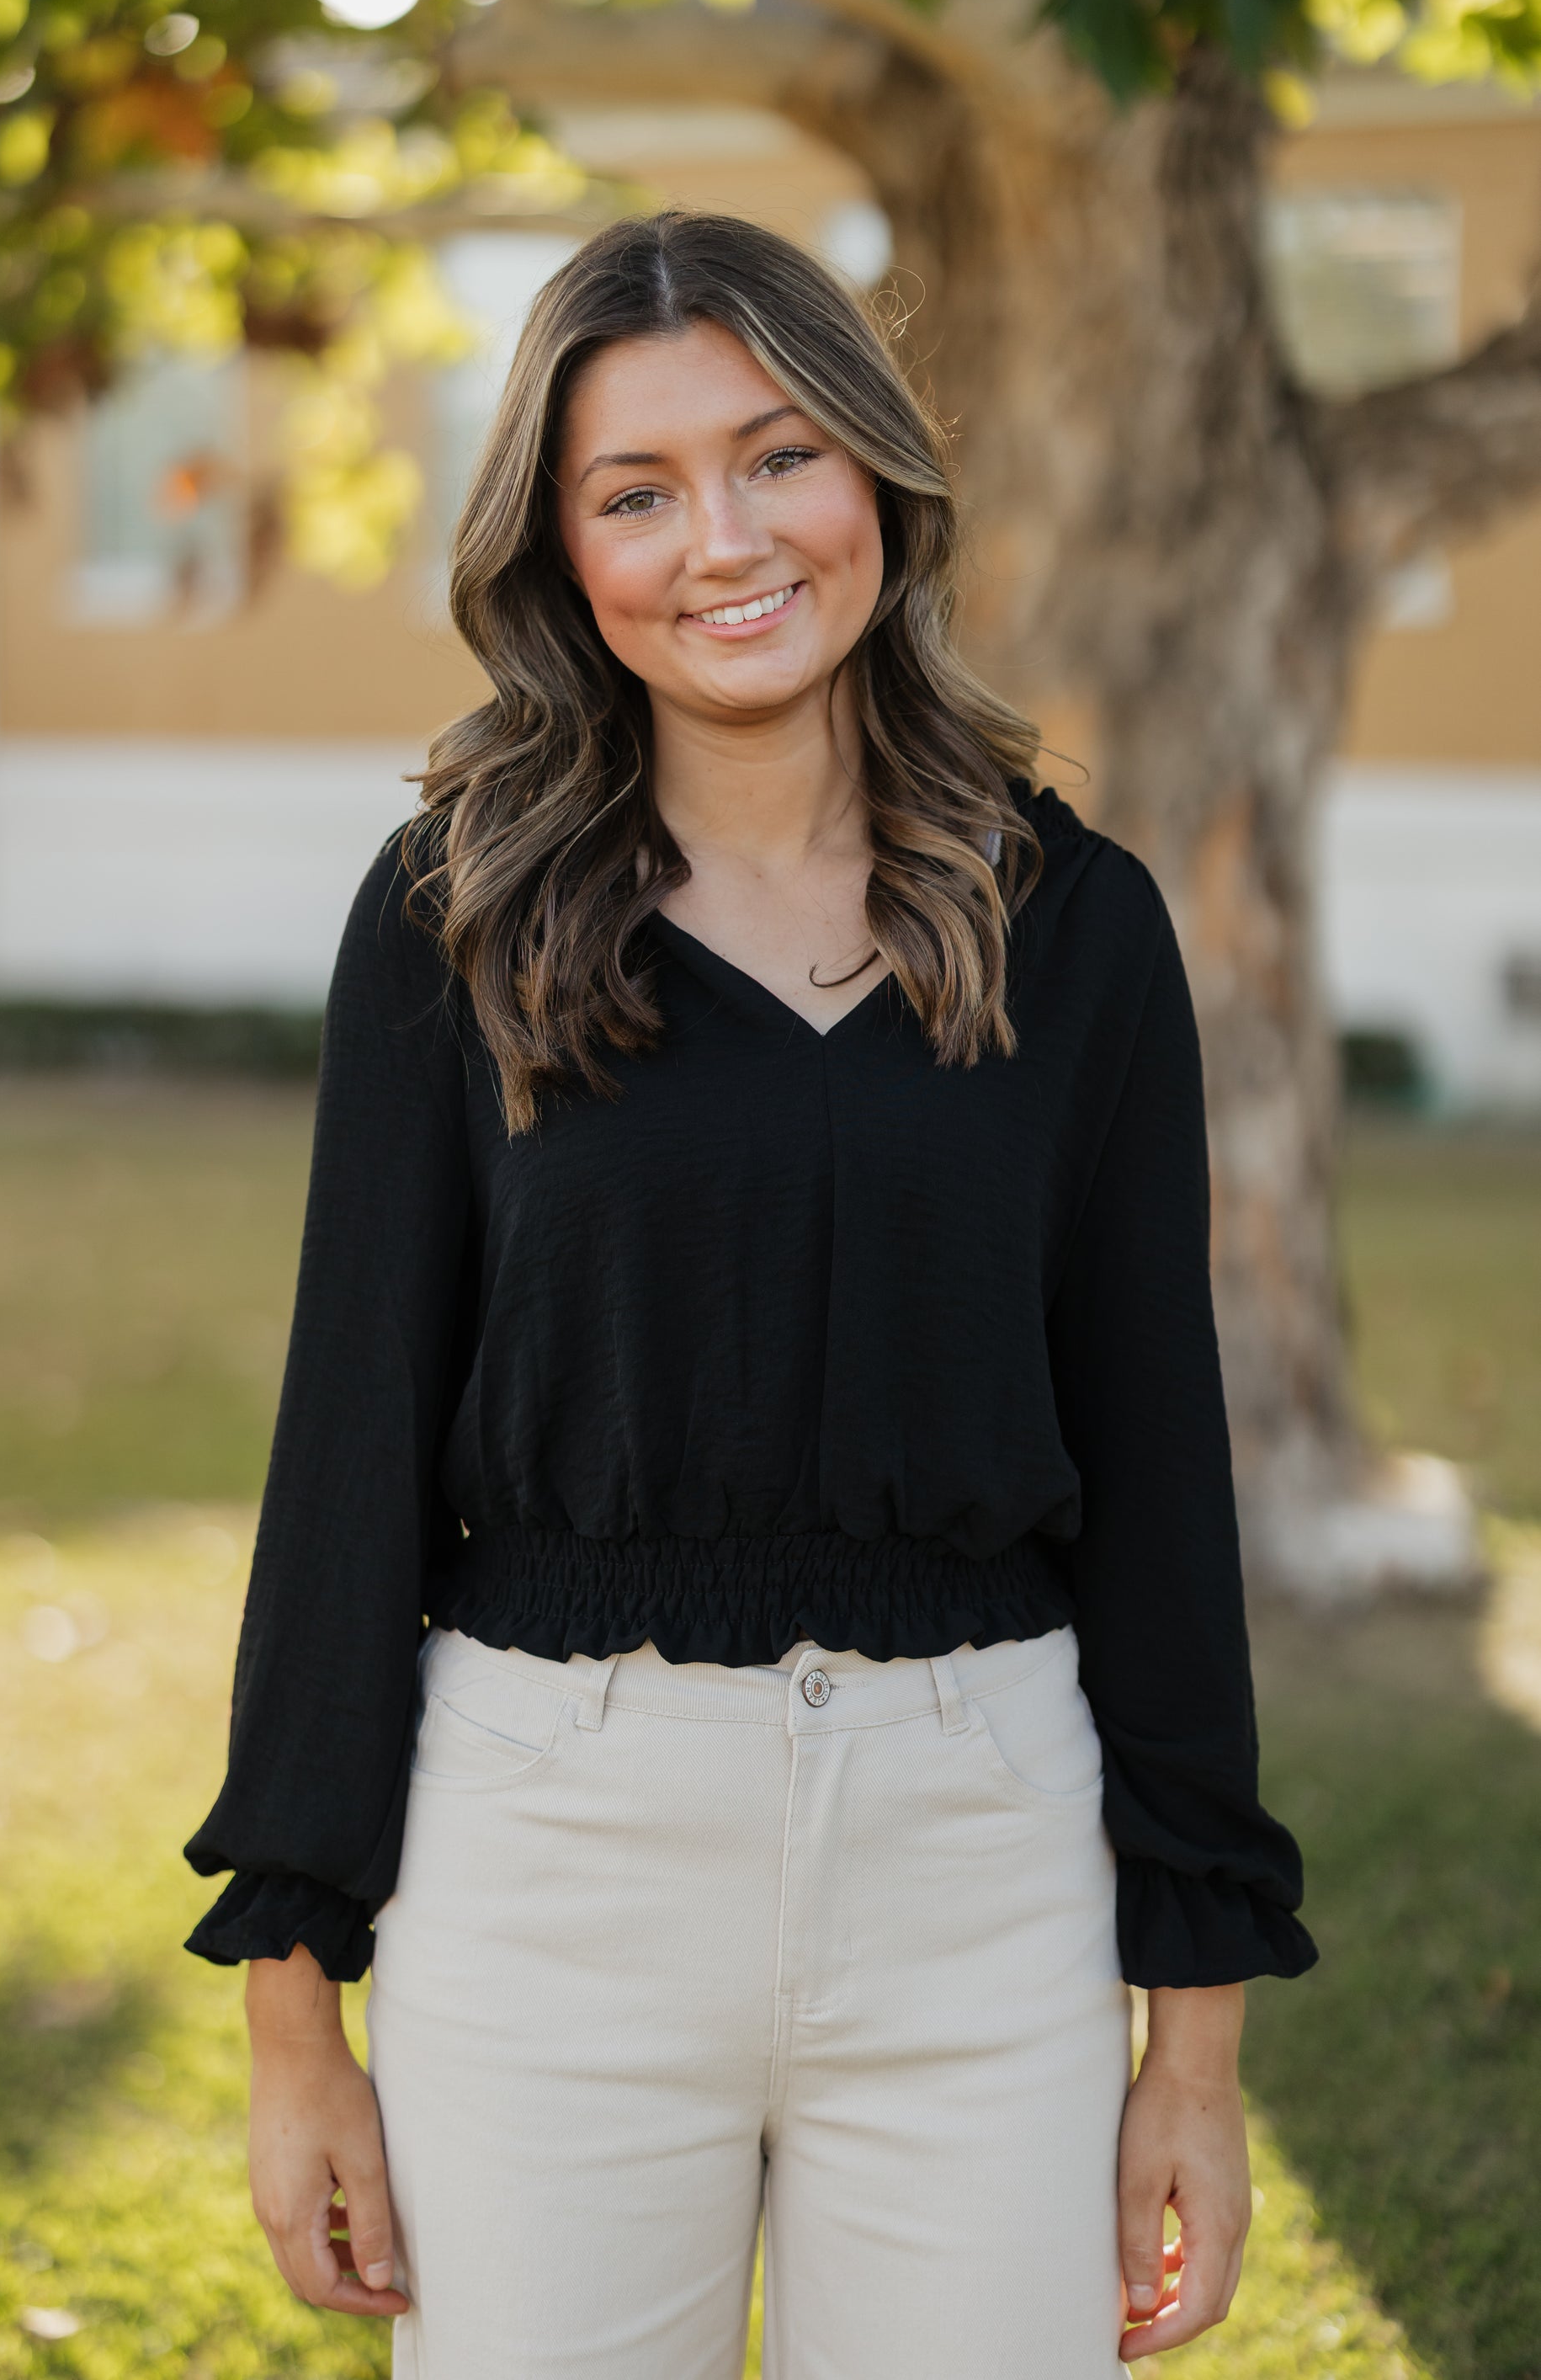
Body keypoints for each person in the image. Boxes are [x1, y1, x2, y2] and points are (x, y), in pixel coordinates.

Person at [184, 209, 1315, 2380]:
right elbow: (348, 1453)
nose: (725, 538)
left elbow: (1165, 1483)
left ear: (879, 477)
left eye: (778, 454)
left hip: (983, 1861)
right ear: (561, 553)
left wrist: (1192, 2055)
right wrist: (293, 2025)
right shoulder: (457, 915)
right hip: (551, 1863)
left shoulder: (1072, 927)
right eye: (638, 491)